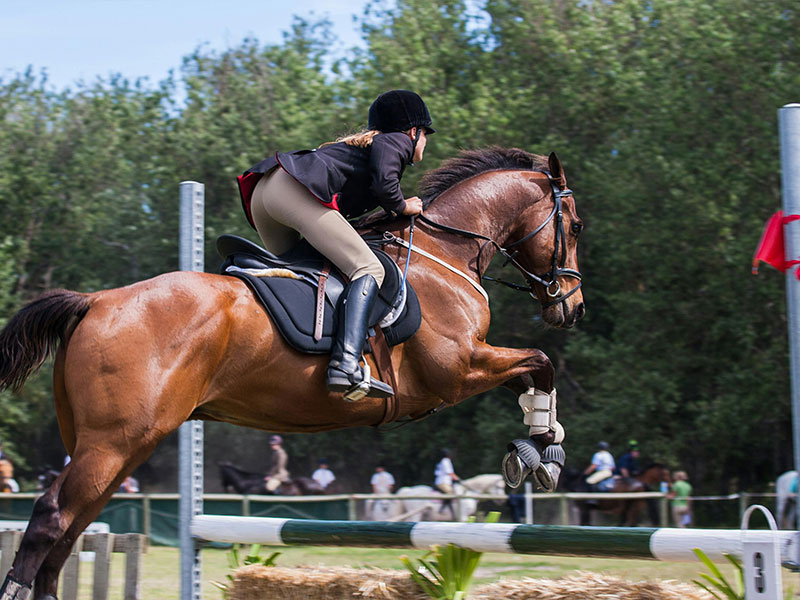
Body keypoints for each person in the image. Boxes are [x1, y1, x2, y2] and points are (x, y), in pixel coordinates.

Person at [236, 90, 434, 401]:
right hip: (292, 193)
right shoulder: (394, 141)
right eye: (425, 135)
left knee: (303, 271)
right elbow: (386, 185)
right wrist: (403, 206)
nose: (425, 143)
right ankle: (346, 363)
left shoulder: (359, 148)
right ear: (413, 132)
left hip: (266, 194)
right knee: (369, 268)